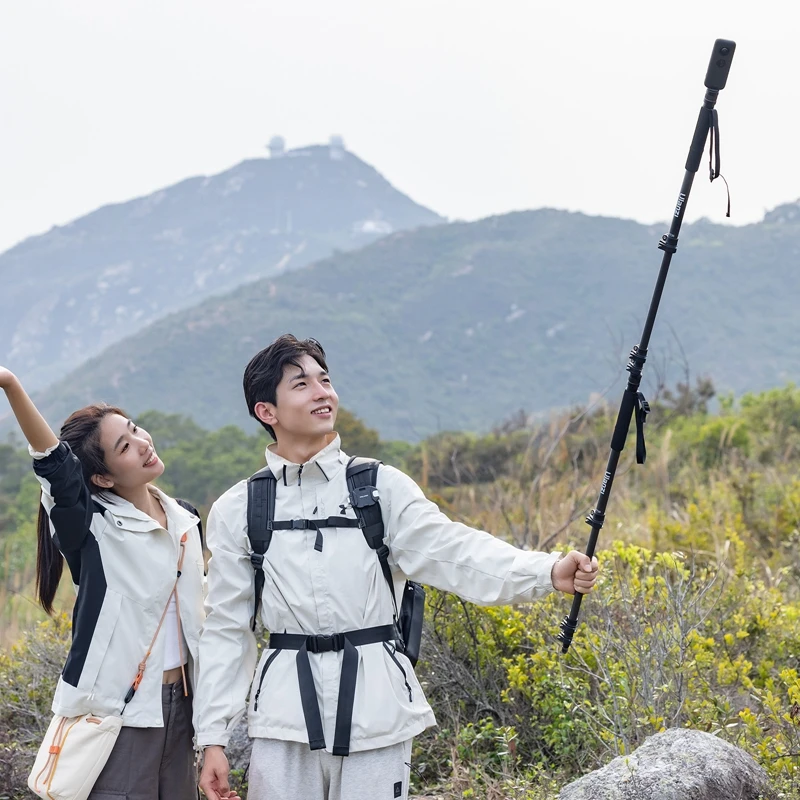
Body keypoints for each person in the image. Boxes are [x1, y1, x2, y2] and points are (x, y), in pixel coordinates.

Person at [196, 335, 599, 800]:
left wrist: (546, 572)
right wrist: (213, 738)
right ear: (267, 411)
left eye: (325, 381)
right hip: (284, 717)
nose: (322, 393)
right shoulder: (239, 508)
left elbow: (454, 551)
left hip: (378, 709)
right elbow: (227, 627)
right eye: (302, 384)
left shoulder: (379, 487)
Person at [0, 366, 228, 800]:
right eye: (124, 446)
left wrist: (211, 728)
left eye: (135, 429)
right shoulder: (92, 528)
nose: (143, 443)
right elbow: (55, 467)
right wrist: (10, 384)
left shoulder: (184, 519)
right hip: (118, 715)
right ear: (102, 478)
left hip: (183, 706)